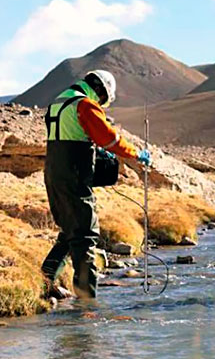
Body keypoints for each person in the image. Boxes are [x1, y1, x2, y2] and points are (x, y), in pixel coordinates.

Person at [40, 69, 152, 299]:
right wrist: (136, 154)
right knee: (86, 237)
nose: (101, 103)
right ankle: (86, 303)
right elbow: (109, 138)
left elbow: (71, 135)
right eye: (103, 99)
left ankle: (43, 281)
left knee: (70, 231)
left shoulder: (59, 102)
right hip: (74, 178)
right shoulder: (84, 104)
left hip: (53, 176)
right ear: (100, 90)